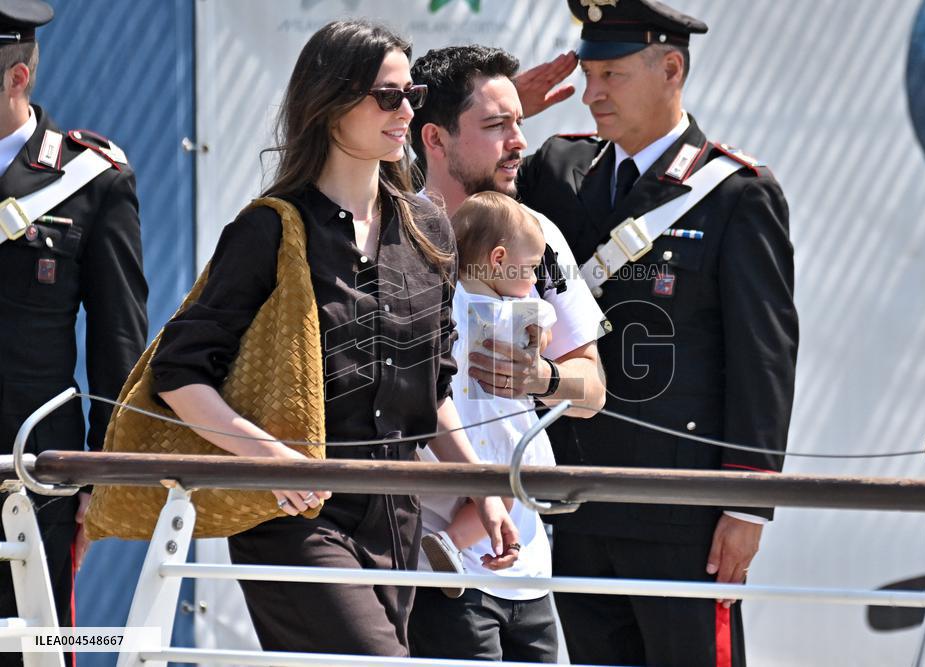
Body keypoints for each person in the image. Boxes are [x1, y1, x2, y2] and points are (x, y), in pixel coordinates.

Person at [149, 20, 517, 657]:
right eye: (386, 95)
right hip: (298, 515)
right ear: (328, 102)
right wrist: (274, 460)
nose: (405, 111)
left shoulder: (428, 227)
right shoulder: (269, 230)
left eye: (413, 94)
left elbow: (432, 388)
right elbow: (179, 371)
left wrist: (481, 486)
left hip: (397, 516)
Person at [514, 1, 799, 665]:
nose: (591, 93)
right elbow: (446, 206)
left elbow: (763, 357)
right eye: (588, 73)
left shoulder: (735, 191)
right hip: (576, 502)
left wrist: (748, 505)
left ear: (671, 69)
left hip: (684, 513)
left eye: (611, 74)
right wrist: (509, 112)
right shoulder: (555, 171)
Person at [407, 45, 608, 662]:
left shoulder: (537, 235)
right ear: (434, 140)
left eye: (519, 121)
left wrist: (543, 377)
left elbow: (592, 390)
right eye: (497, 126)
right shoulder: (391, 233)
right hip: (426, 563)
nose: (519, 141)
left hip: (527, 557)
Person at [0, 0, 148, 645]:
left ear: (17, 79)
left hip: (29, 473)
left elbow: (119, 339)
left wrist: (97, 477)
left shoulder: (90, 176)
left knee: (32, 649)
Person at [416, 192, 559, 660]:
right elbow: (543, 322)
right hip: (502, 435)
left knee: (487, 491)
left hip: (460, 436)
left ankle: (452, 542)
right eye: (532, 267)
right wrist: (544, 320)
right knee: (513, 482)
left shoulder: (443, 301)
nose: (535, 279)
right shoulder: (507, 313)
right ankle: (454, 543)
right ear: (499, 259)